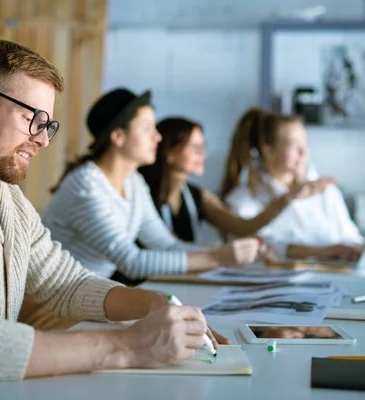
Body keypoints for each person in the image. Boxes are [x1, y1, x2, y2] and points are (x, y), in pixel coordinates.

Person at [0, 40, 229, 399]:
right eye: (31, 118)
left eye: (48, 124)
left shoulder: (7, 196)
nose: (42, 140)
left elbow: (64, 283)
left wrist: (150, 303)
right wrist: (125, 346)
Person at [42, 88, 264, 283]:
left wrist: (227, 253)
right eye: (147, 128)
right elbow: (131, 261)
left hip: (84, 296)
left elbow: (166, 245)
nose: (158, 137)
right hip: (49, 307)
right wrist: (219, 257)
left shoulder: (134, 182)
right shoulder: (86, 185)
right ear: (118, 137)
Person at [220, 108, 365, 261]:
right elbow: (257, 246)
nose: (303, 152)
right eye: (294, 145)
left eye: (305, 143)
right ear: (268, 150)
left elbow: (351, 237)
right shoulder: (243, 199)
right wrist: (326, 251)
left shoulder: (326, 192)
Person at [138, 117, 281, 253]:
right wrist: (227, 252)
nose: (203, 153)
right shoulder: (143, 194)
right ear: (169, 153)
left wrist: (285, 200)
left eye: (203, 146)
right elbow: (168, 245)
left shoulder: (197, 195)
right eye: (194, 147)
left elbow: (241, 226)